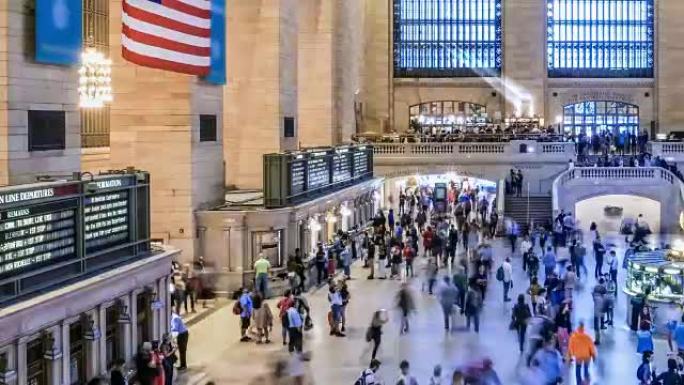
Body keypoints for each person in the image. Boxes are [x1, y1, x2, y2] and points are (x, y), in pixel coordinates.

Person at [592, 278, 607, 344]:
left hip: (596, 308)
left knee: (596, 323)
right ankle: (602, 325)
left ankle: (597, 338)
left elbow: (593, 294)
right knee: (602, 317)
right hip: (601, 306)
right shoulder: (603, 288)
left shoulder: (595, 287)